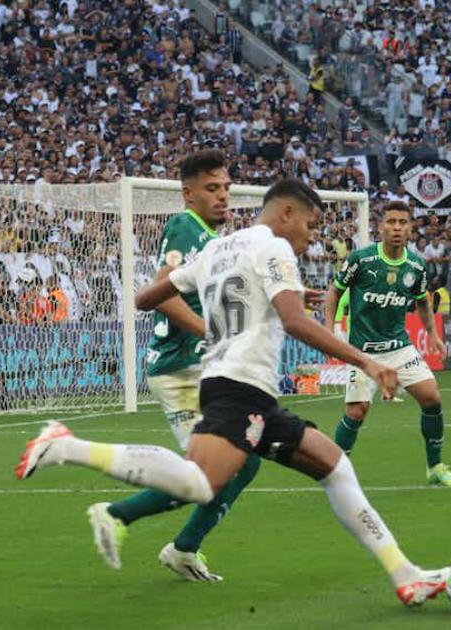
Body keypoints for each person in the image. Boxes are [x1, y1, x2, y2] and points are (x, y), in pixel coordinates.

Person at [15, 179, 451, 607]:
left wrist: (185, 274)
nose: (311, 237)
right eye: (311, 225)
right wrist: (366, 361)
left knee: (335, 468)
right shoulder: (274, 246)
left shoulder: (214, 249)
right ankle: (66, 447)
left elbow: (147, 298)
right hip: (236, 388)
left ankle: (405, 576)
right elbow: (296, 322)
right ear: (286, 213)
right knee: (198, 482)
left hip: (246, 392)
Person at [87, 150, 253, 582]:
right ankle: (121, 516)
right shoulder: (184, 226)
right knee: (214, 470)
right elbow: (161, 291)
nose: (223, 197)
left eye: (226, 188)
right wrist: (207, 332)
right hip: (180, 368)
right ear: (188, 193)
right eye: (212, 189)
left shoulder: (212, 238)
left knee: (241, 460)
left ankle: (182, 548)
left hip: (200, 369)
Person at [324, 201, 451, 486]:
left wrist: (433, 335)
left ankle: (435, 467)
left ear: (410, 228)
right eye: (391, 222)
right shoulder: (361, 259)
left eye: (402, 222)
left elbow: (422, 301)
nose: (396, 228)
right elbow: (334, 293)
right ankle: (335, 473)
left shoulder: (416, 265)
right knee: (357, 411)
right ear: (380, 226)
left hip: (399, 347)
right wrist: (329, 331)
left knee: (432, 397)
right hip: (363, 351)